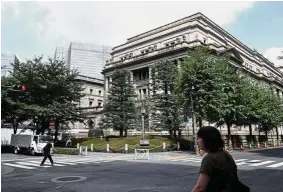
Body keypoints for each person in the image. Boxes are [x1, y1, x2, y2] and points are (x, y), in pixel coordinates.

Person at [191, 126, 249, 192]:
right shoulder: (225, 154)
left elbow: (200, 188)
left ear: (207, 139)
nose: (197, 141)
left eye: (199, 138)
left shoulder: (209, 158)